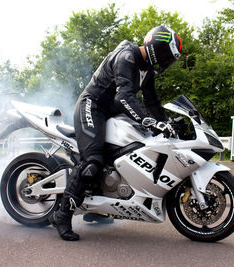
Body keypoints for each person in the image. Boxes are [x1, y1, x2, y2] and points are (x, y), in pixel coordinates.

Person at [49, 25, 183, 241]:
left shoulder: (147, 70)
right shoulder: (127, 57)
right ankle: (62, 216)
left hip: (111, 112)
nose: (168, 61)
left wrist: (166, 123)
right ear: (156, 47)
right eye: (167, 55)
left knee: (121, 155)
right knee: (92, 162)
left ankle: (98, 208)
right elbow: (124, 97)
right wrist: (148, 121)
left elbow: (152, 102)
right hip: (92, 106)